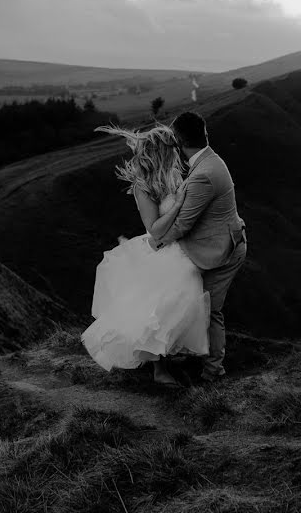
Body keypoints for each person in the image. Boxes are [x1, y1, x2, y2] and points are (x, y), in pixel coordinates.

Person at [81, 124, 210, 386]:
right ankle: (159, 370)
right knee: (161, 305)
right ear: (161, 152)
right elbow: (154, 230)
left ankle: (177, 353)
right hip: (160, 247)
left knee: (186, 299)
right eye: (172, 149)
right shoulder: (143, 187)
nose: (178, 153)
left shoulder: (175, 177)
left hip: (181, 244)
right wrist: (181, 205)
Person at [152, 112, 247, 383]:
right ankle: (189, 355)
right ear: (204, 133)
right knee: (188, 302)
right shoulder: (209, 160)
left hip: (222, 251)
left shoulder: (204, 174)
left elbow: (182, 225)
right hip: (216, 243)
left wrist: (154, 243)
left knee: (210, 309)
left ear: (180, 141)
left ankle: (213, 371)